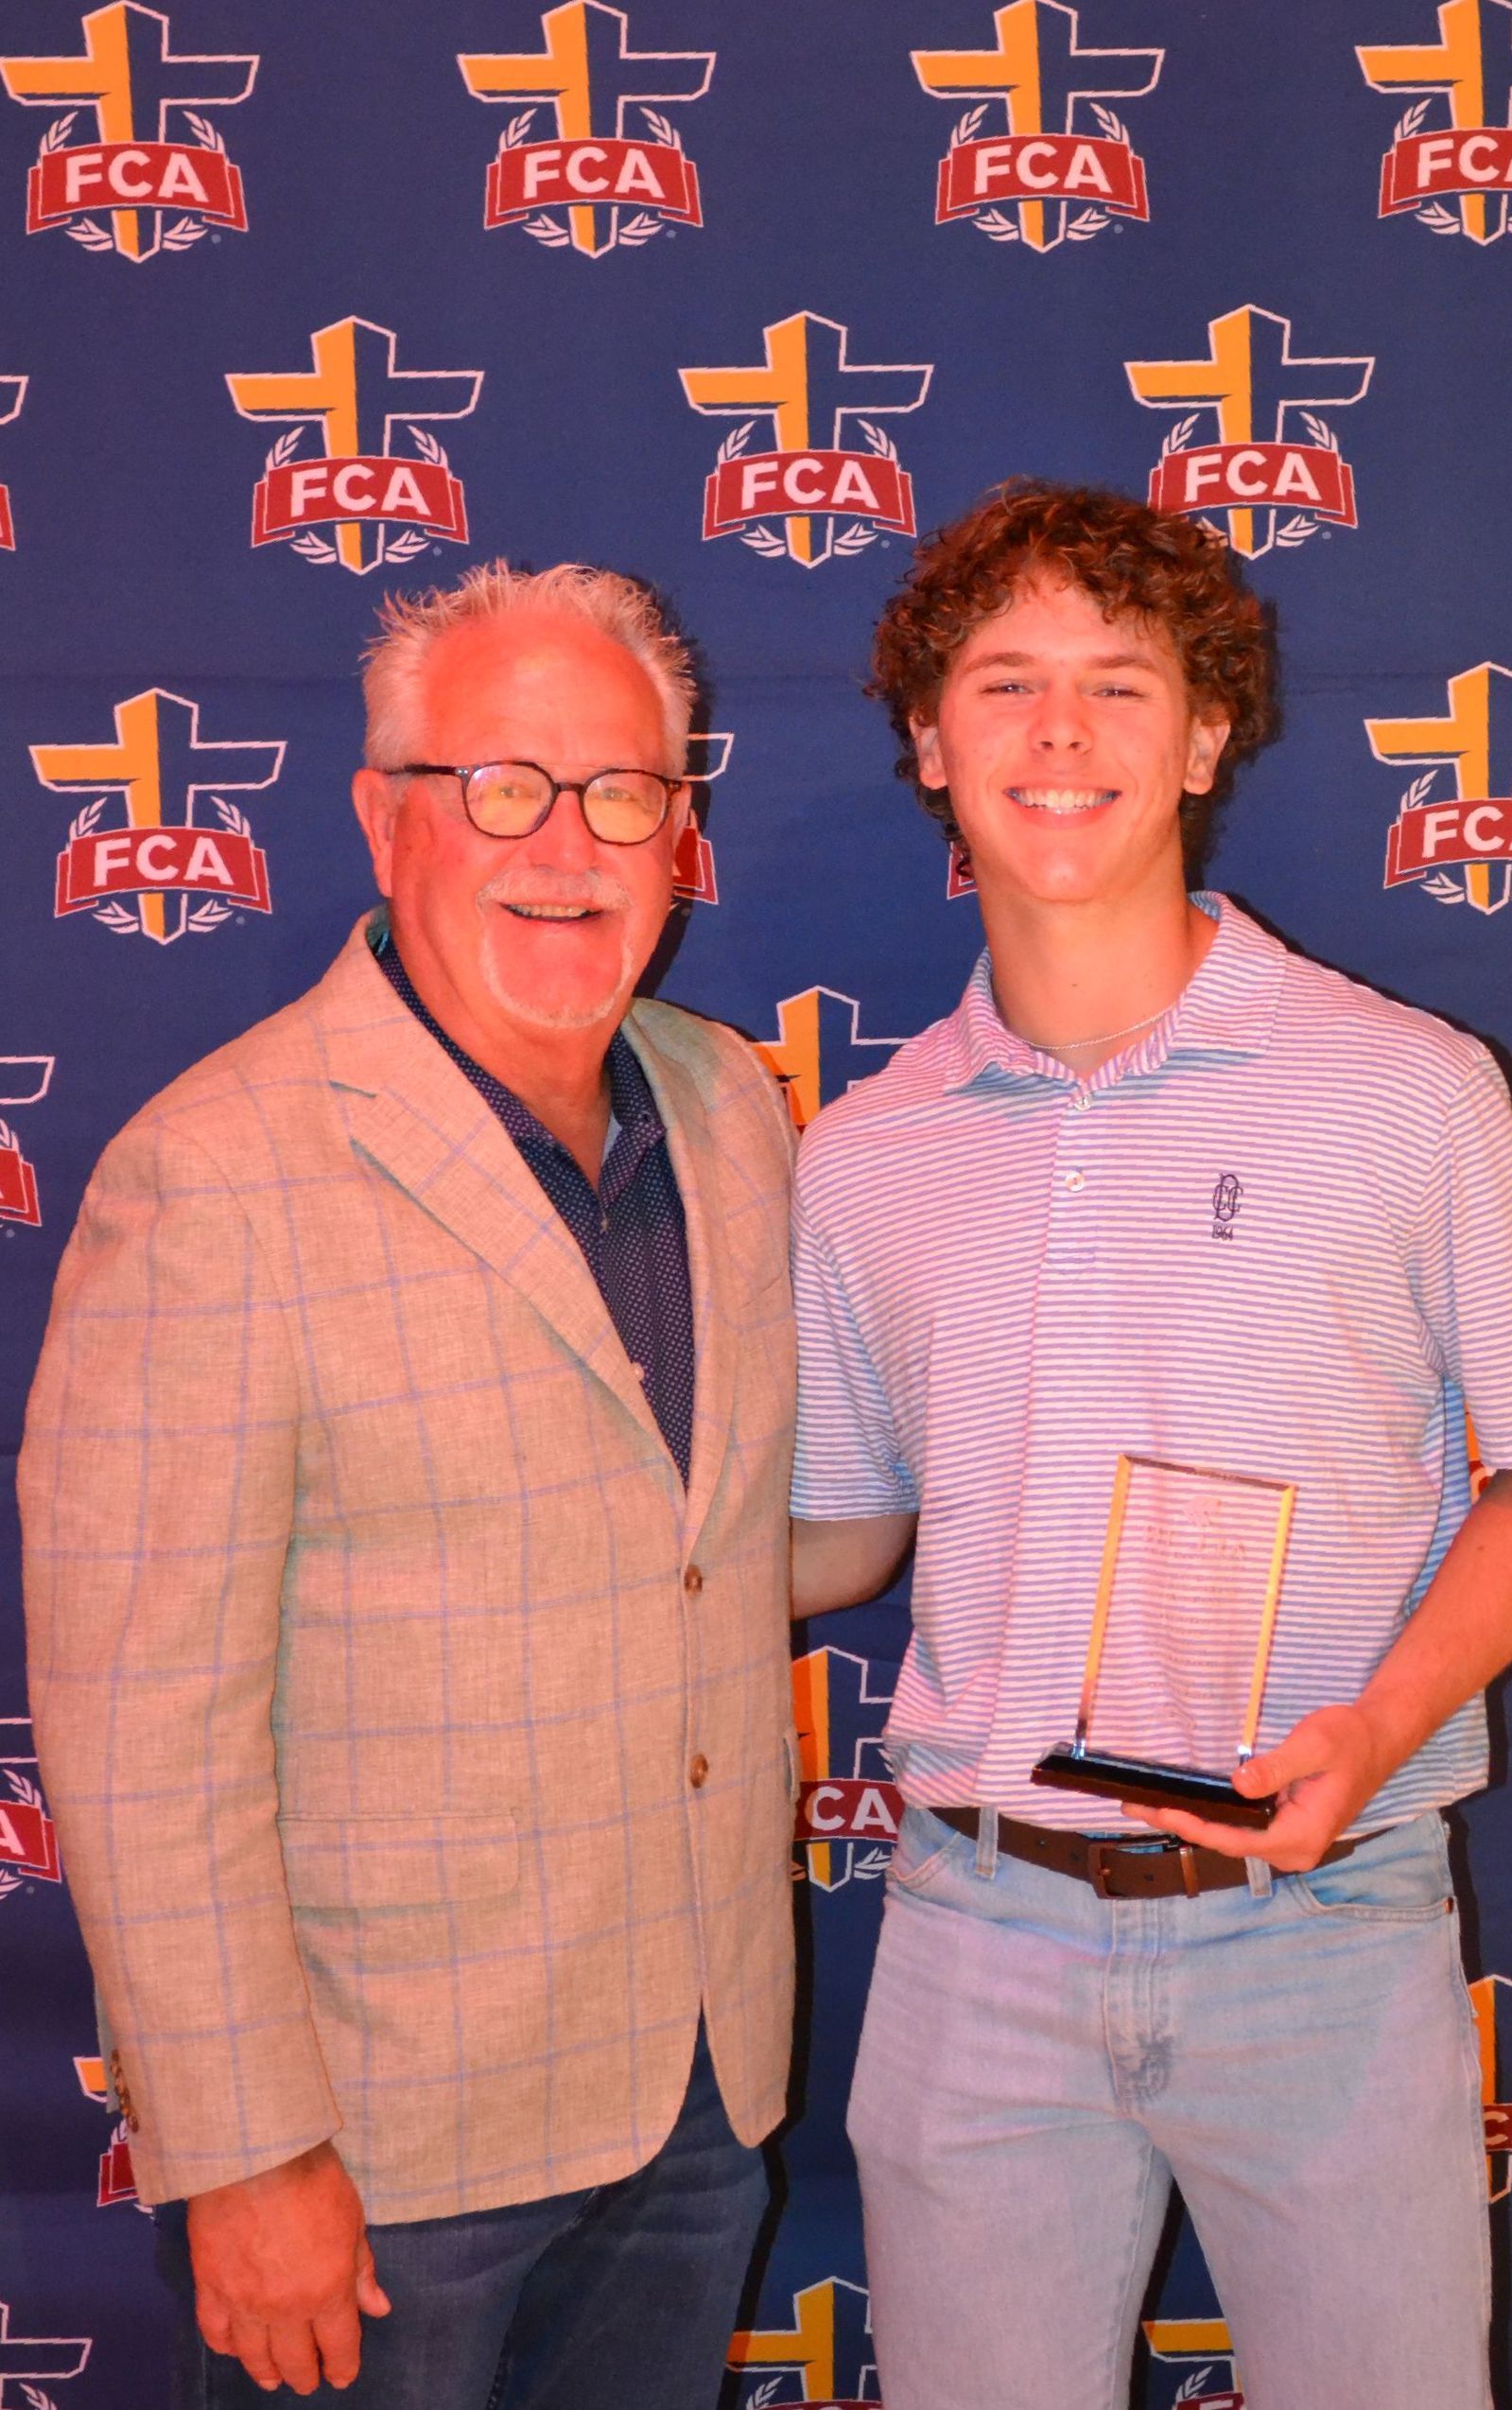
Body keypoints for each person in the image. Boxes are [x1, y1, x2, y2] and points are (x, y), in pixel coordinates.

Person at [789, 483, 1512, 2410]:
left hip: (1324, 1923)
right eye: (1003, 682)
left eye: (1118, 681)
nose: (1059, 731)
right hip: (977, 1932)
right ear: (930, 742)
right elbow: (837, 1536)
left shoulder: (1405, 1090)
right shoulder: (862, 1155)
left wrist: (1382, 1724)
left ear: (1203, 734)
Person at [20, 564, 799, 2409]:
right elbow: (142, 1727)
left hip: (695, 2095)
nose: (569, 844)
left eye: (624, 790)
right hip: (376, 2152)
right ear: (385, 821)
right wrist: (245, 2151)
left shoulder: (731, 1111)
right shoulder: (216, 1172)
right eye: (502, 787)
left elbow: (733, 1537)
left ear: (680, 832)